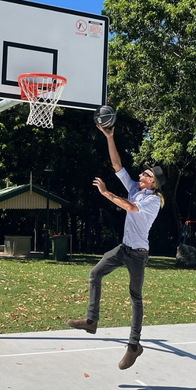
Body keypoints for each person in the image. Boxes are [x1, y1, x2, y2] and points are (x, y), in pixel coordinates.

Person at [66, 124, 166, 370]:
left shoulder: (153, 201)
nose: (140, 175)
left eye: (145, 174)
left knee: (135, 297)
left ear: (153, 182)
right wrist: (109, 137)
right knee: (95, 273)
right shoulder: (134, 190)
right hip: (123, 248)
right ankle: (91, 321)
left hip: (138, 254)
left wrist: (106, 193)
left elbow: (130, 208)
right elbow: (117, 166)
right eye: (142, 173)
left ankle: (133, 346)